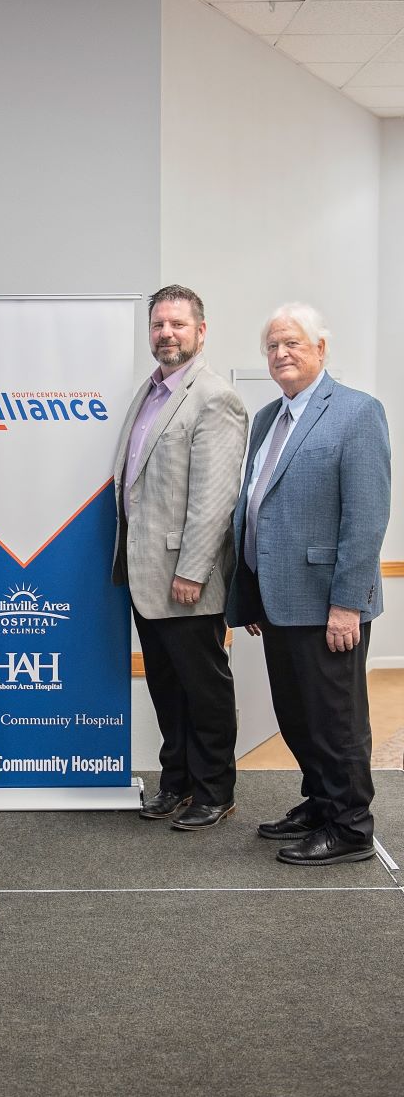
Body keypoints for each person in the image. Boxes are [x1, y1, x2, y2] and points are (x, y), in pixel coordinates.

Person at [227, 303, 391, 866]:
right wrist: (251, 588)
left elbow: (366, 519)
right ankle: (320, 802)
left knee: (336, 719)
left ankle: (350, 828)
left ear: (322, 348)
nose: (280, 354)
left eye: (292, 343)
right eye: (272, 345)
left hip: (328, 605)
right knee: (297, 715)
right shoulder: (268, 416)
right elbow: (257, 506)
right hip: (277, 601)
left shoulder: (356, 413)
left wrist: (348, 603)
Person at [113, 284, 248, 830]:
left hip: (185, 579)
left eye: (177, 324)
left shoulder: (214, 398)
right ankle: (177, 783)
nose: (166, 333)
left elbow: (215, 497)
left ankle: (216, 790)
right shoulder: (149, 393)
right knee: (167, 687)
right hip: (146, 577)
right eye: (158, 325)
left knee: (204, 689)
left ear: (200, 331)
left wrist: (192, 569)